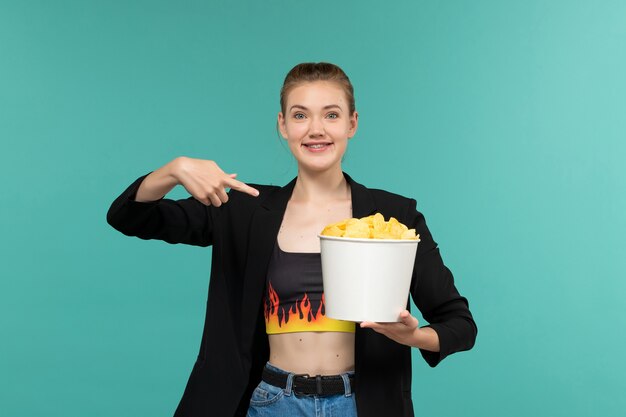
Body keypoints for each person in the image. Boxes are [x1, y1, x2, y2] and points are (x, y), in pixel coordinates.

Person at [107, 62, 477, 417]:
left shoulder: (395, 215)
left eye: (331, 115)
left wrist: (415, 338)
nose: (316, 128)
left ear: (352, 123)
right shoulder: (242, 210)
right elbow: (130, 216)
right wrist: (174, 169)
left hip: (363, 405)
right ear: (283, 125)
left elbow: (459, 324)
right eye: (300, 115)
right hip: (272, 403)